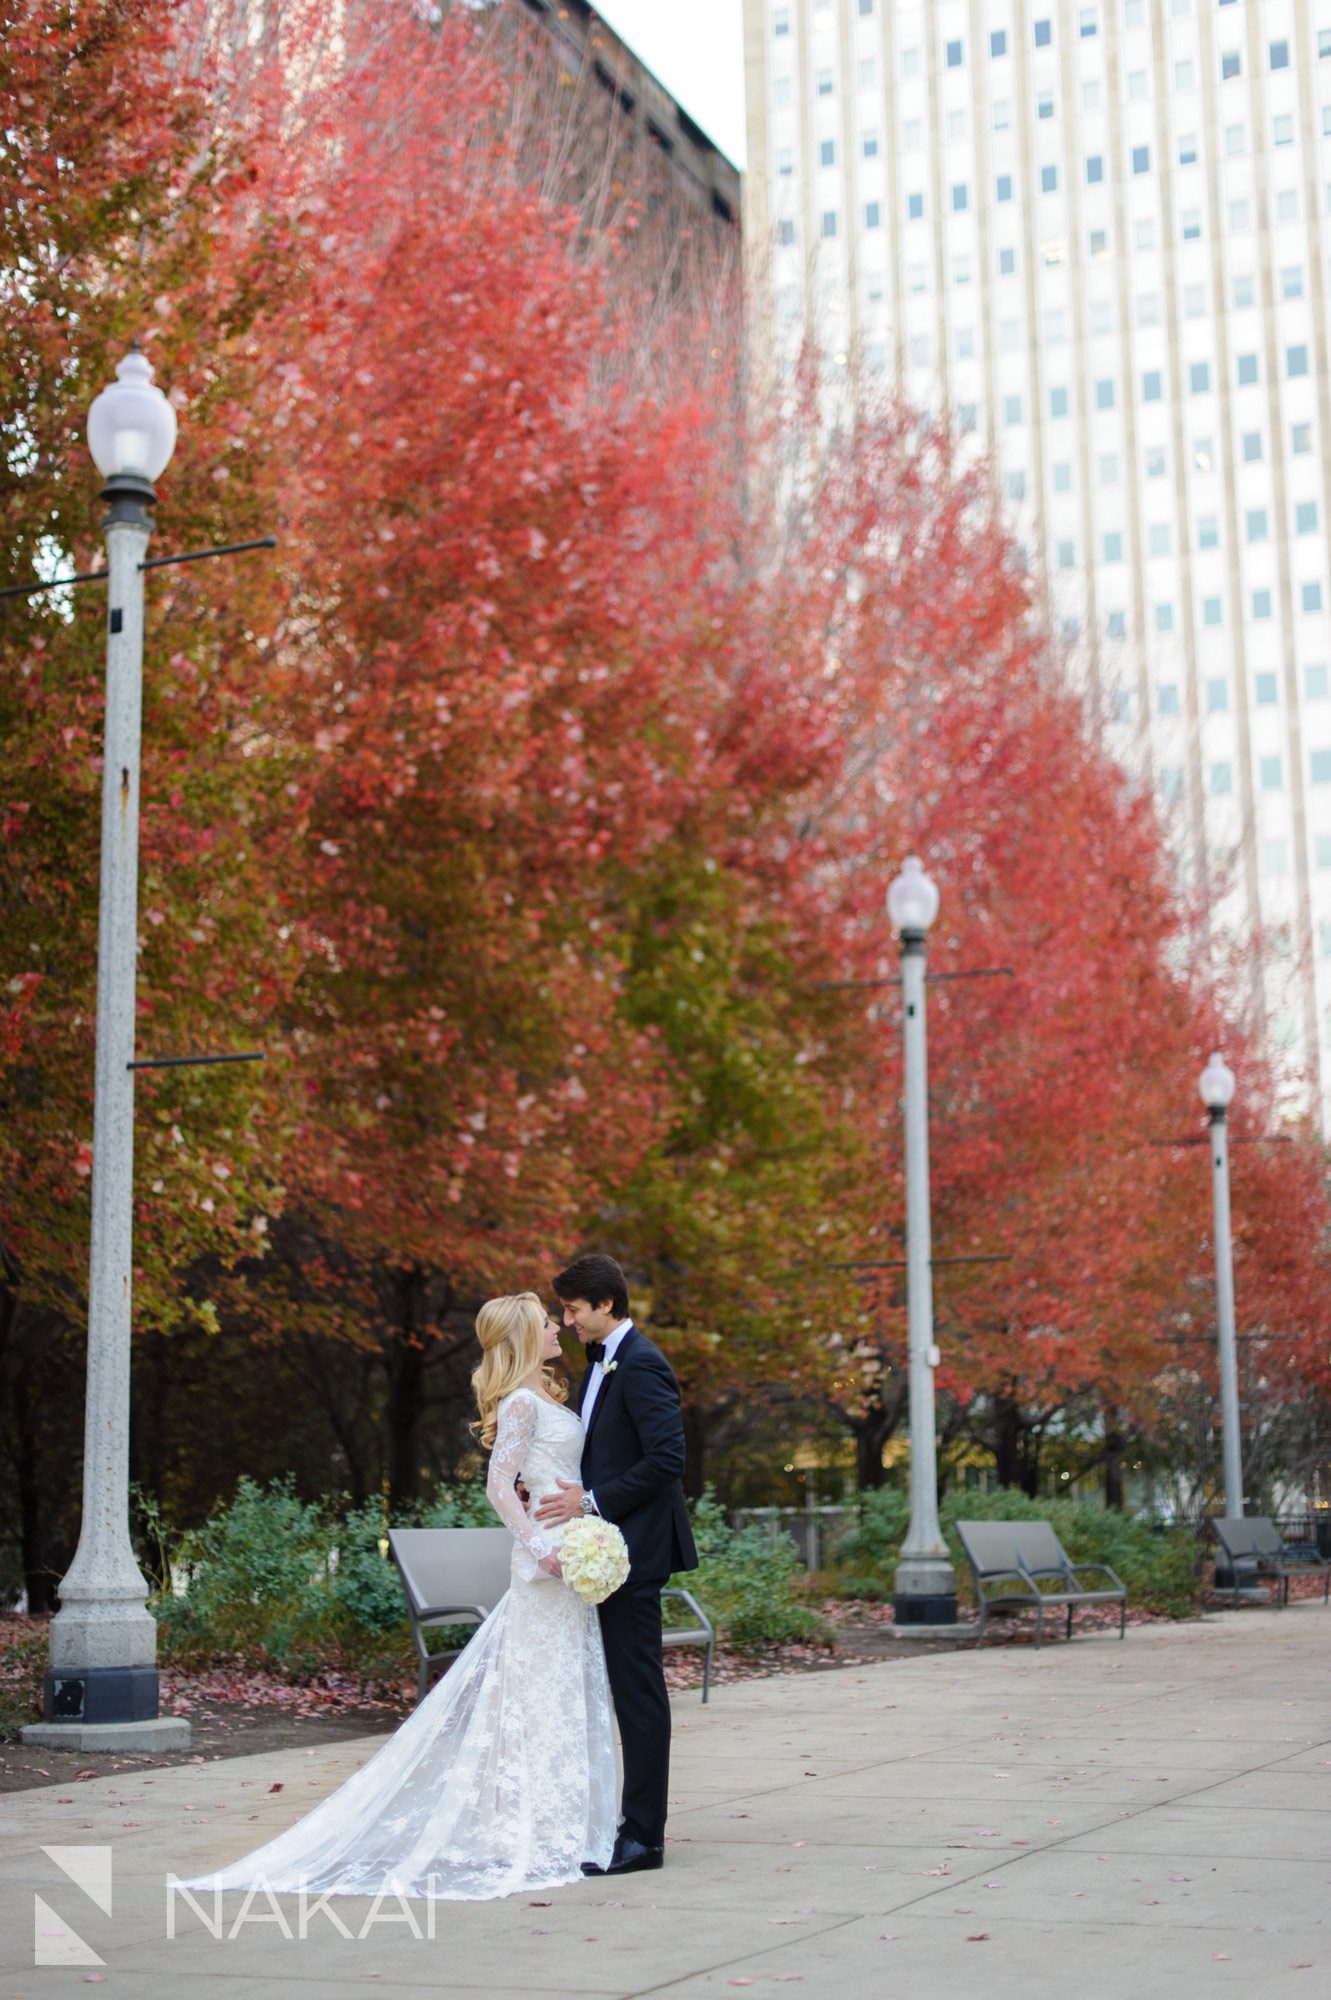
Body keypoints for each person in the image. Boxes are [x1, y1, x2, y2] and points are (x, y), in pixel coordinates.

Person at [177, 1293, 617, 1902]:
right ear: (524, 1335)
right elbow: (498, 1485)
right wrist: (540, 1546)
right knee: (536, 1693)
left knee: (563, 1686)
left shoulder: (545, 1395)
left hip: (571, 1556)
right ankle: (537, 1827)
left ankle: (567, 1820)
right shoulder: (520, 1402)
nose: (556, 1328)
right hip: (545, 1564)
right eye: (546, 1322)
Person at [535, 1252, 698, 1877]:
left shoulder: (643, 1364)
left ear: (606, 1304)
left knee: (638, 1692)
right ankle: (623, 1822)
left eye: (574, 1310)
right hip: (604, 1549)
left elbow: (667, 1460)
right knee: (624, 1689)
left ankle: (644, 1838)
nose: (568, 1321)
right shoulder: (598, 1361)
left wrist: (593, 1503)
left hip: (634, 1552)